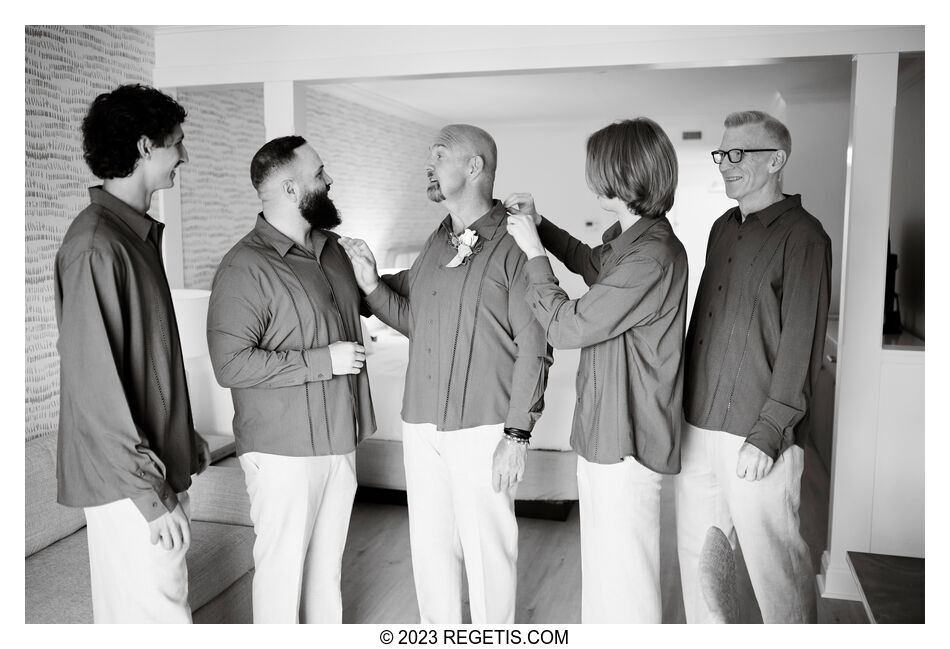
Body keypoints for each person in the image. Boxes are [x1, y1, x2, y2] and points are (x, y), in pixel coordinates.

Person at [339, 124, 551, 624]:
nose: (428, 165)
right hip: (419, 421)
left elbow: (536, 347)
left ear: (474, 167)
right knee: (429, 545)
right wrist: (370, 286)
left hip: (484, 426)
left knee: (488, 551)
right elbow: (419, 322)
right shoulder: (436, 242)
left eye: (439, 155)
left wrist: (517, 434)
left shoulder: (519, 244)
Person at [504, 117, 687, 623]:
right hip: (603, 429)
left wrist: (534, 254)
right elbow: (590, 262)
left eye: (597, 167)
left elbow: (567, 327)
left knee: (627, 577)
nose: (590, 176)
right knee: (606, 570)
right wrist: (540, 227)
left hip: (629, 433)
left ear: (622, 174)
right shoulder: (633, 240)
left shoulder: (652, 254)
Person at [54, 83, 210, 623]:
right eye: (177, 143)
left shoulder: (131, 237)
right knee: (157, 621)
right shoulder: (97, 245)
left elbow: (146, 362)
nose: (184, 156)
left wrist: (182, 438)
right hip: (130, 481)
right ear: (146, 147)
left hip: (150, 467)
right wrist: (150, 495)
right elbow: (96, 390)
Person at [206, 135, 375, 623]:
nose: (329, 180)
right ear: (289, 187)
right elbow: (230, 364)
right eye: (319, 173)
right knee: (281, 576)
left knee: (326, 573)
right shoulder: (244, 267)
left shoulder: (336, 251)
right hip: (282, 451)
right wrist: (324, 360)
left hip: (340, 437)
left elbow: (368, 302)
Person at [676, 110, 831, 623]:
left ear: (777, 161)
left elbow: (800, 343)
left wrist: (769, 433)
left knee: (774, 565)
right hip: (698, 422)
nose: (726, 164)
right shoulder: (722, 228)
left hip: (756, 430)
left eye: (739, 153)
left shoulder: (805, 237)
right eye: (722, 154)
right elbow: (704, 322)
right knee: (699, 556)